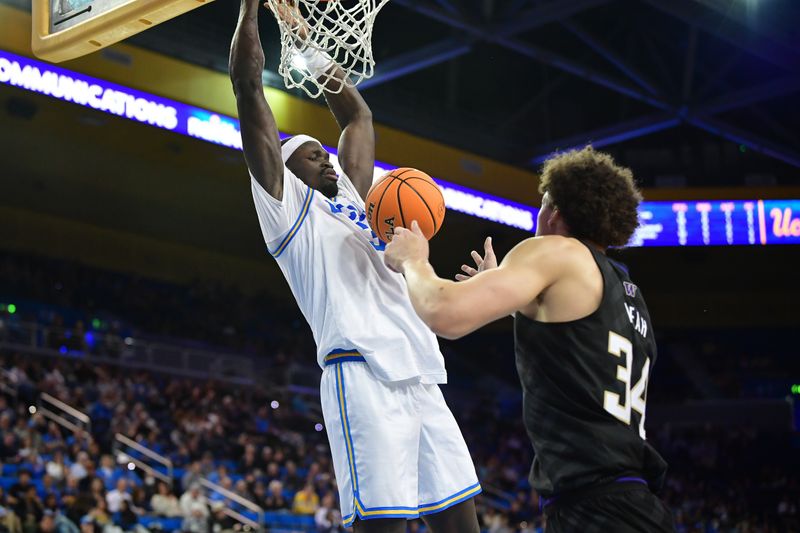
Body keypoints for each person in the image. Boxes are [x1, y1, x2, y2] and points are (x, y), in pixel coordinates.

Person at [228, 1, 481, 531]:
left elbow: (357, 115)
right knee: (382, 525)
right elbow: (249, 88)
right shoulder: (286, 209)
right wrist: (251, 8)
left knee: (462, 525)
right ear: (286, 168)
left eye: (326, 152)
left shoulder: (356, 193)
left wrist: (303, 39)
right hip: (360, 372)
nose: (326, 159)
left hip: (420, 374)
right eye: (312, 155)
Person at [384, 146, 674, 531]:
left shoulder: (554, 250)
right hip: (634, 503)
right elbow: (576, 343)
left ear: (553, 208)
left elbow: (442, 313)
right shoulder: (624, 287)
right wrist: (503, 294)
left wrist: (413, 260)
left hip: (596, 509)